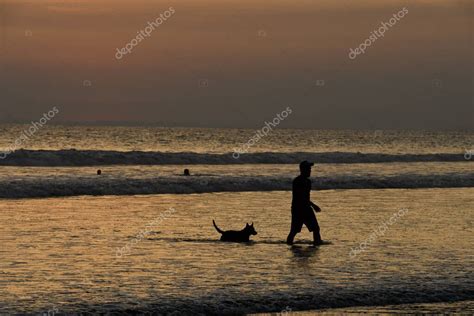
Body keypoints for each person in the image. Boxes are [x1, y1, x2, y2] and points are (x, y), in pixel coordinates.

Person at [287, 161, 323, 246]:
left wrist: (311, 205)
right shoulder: (297, 181)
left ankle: (317, 245)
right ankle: (289, 245)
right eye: (308, 169)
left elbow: (306, 198)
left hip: (306, 208)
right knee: (294, 231)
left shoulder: (308, 182)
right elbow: (301, 197)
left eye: (310, 169)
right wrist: (313, 205)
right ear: (302, 170)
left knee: (316, 228)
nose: (310, 171)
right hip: (298, 209)